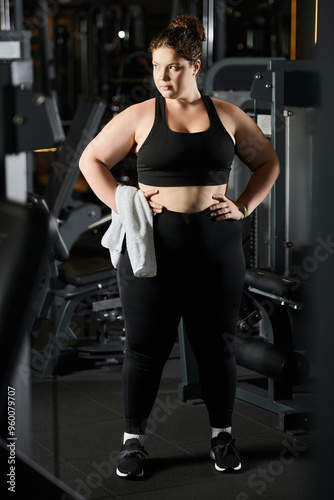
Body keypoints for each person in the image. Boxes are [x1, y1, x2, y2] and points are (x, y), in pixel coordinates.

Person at [79, 15, 280, 479]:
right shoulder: (141, 115)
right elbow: (91, 159)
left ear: (195, 65)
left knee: (217, 347)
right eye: (156, 67)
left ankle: (222, 435)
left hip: (216, 246)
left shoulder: (227, 115)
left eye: (172, 68)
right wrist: (121, 201)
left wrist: (245, 206)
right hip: (156, 247)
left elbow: (268, 160)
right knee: (145, 349)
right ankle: (133, 442)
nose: (162, 77)